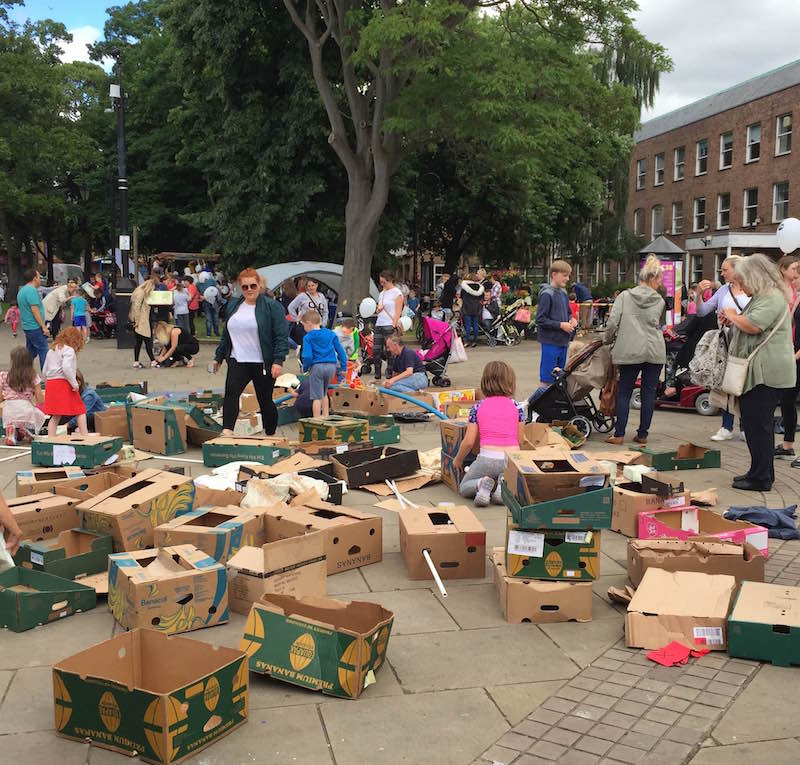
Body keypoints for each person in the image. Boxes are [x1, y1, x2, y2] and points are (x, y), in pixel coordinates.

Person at [724, 254, 795, 491]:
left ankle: (762, 477)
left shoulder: (772, 297)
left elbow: (754, 325)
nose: (741, 286)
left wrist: (733, 316)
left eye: (743, 281)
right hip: (760, 371)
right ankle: (757, 472)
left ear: (754, 277)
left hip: (766, 373)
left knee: (759, 426)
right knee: (754, 424)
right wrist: (734, 320)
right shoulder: (766, 296)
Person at [213, 267, 288, 436]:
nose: (249, 290)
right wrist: (218, 357)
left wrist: (278, 360)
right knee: (231, 394)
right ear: (240, 287)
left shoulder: (272, 307)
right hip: (237, 359)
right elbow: (227, 334)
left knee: (265, 400)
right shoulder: (234, 305)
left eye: (252, 286)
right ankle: (227, 432)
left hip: (262, 361)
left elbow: (281, 335)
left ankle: (270, 433)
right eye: (245, 287)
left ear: (259, 285)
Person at [604, 255, 666, 446]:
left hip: (630, 350)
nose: (660, 284)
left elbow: (613, 322)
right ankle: (642, 434)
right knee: (648, 393)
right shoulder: (660, 301)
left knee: (624, 391)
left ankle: (619, 434)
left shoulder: (624, 296)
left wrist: (607, 340)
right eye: (659, 280)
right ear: (653, 279)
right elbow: (660, 325)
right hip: (654, 351)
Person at [453, 361, 525, 507]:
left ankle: (482, 483)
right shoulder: (517, 407)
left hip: (487, 458)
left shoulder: (477, 407)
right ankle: (502, 484)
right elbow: (520, 440)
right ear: (511, 382)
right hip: (510, 460)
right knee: (513, 482)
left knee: (464, 487)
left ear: (484, 382)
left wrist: (458, 460)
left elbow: (468, 442)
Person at [696, 255, 750, 441]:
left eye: (725, 269)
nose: (721, 273)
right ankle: (726, 427)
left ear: (737, 270)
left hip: (745, 342)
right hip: (725, 342)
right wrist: (698, 295)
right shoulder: (724, 290)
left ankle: (745, 427)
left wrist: (735, 317)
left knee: (743, 383)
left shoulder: (751, 288)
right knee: (725, 383)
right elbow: (702, 312)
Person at [774, 255, 800, 458]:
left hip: (796, 356)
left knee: (789, 399)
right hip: (792, 354)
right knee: (787, 400)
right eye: (795, 269)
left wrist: (796, 355)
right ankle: (788, 445)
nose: (796, 274)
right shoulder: (796, 296)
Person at [300, 310, 347, 417]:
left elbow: (307, 356)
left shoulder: (308, 337)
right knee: (324, 393)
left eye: (303, 325)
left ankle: (316, 420)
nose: (303, 328)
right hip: (331, 366)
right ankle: (326, 416)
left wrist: (305, 367)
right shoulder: (331, 334)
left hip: (317, 367)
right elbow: (341, 352)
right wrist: (344, 368)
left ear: (308, 323)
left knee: (316, 397)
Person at [535, 260, 576, 385]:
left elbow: (568, 312)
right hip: (550, 342)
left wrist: (572, 319)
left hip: (563, 342)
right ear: (554, 275)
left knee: (560, 377)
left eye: (568, 275)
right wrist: (561, 325)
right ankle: (545, 402)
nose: (567, 278)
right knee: (548, 378)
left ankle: (555, 403)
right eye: (564, 275)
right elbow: (540, 319)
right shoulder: (547, 294)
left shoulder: (563, 293)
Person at [43, 327, 88, 436]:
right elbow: (66, 368)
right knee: (80, 410)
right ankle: (85, 435)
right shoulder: (69, 350)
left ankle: (51, 439)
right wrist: (74, 383)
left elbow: (44, 370)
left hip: (51, 383)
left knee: (55, 414)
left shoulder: (51, 350)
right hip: (63, 382)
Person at [0, 345, 46, 444]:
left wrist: (6, 397)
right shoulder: (33, 376)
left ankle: (12, 431)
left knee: (11, 420)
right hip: (26, 409)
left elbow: (0, 397)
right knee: (39, 415)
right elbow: (41, 400)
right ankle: (23, 429)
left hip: (9, 410)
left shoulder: (3, 376)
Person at [373, 271, 403, 381]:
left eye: (384, 282)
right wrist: (378, 309)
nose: (382, 284)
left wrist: (394, 323)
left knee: (390, 350)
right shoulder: (382, 293)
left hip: (389, 324)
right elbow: (378, 308)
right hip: (379, 323)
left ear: (390, 280)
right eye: (381, 282)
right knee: (376, 350)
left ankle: (390, 373)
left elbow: (398, 310)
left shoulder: (397, 293)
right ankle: (377, 375)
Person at [17, 269, 50, 369]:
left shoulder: (22, 290)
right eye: (39, 277)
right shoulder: (31, 291)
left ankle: (21, 373)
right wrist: (43, 327)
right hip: (35, 327)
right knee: (43, 350)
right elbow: (35, 311)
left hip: (28, 326)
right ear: (35, 278)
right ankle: (47, 377)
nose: (40, 280)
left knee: (30, 353)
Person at [129, 277, 156, 369]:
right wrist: (137, 320)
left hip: (138, 319)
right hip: (142, 320)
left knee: (138, 342)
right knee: (147, 339)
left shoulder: (137, 290)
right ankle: (153, 360)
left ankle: (136, 361)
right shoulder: (142, 292)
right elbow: (137, 306)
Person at [460, 274, 485, 348]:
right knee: (475, 325)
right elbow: (482, 297)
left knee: (467, 325)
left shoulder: (464, 287)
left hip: (467, 307)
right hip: (476, 308)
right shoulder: (480, 287)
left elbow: (462, 297)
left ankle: (467, 341)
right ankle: (475, 341)